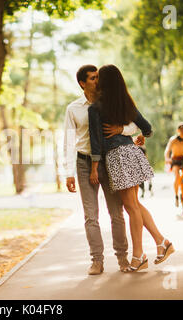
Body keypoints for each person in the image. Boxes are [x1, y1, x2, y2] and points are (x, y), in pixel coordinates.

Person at [88, 64, 174, 272]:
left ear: (104, 81)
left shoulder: (96, 108)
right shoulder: (126, 103)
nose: (96, 80)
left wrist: (94, 167)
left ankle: (139, 256)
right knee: (134, 204)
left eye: (99, 77)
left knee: (131, 207)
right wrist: (126, 130)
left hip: (117, 157)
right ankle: (162, 243)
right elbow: (148, 129)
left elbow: (96, 142)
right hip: (132, 154)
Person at [63, 64, 139, 274]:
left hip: (110, 160)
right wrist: (69, 173)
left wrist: (120, 129)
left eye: (98, 77)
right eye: (93, 78)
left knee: (116, 213)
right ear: (82, 83)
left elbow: (134, 125)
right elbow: (69, 142)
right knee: (91, 215)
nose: (98, 81)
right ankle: (97, 260)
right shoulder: (73, 109)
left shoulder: (112, 102)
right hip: (84, 163)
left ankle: (122, 258)